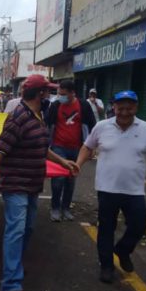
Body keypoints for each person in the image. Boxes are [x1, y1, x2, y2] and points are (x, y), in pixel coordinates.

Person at [0, 74, 79, 291]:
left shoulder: (38, 116)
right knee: (16, 230)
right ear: (40, 94)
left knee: (27, 229)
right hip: (16, 184)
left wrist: (64, 163)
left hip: (33, 184)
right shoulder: (18, 118)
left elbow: (43, 147)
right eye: (48, 92)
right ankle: (10, 284)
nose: (53, 96)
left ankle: (13, 267)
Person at [75, 90, 146, 283]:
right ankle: (106, 266)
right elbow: (87, 146)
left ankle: (123, 250)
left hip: (134, 190)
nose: (125, 112)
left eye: (129, 108)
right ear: (114, 107)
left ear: (136, 107)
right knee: (106, 228)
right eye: (121, 108)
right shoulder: (102, 127)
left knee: (138, 226)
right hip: (107, 188)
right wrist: (78, 164)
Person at [46, 79, 96, 222]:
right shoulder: (55, 105)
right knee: (58, 179)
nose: (60, 96)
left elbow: (92, 125)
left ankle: (66, 208)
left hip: (77, 149)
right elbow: (47, 124)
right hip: (58, 147)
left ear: (72, 93)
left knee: (70, 179)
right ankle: (55, 208)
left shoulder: (83, 105)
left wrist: (91, 147)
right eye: (59, 93)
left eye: (63, 94)